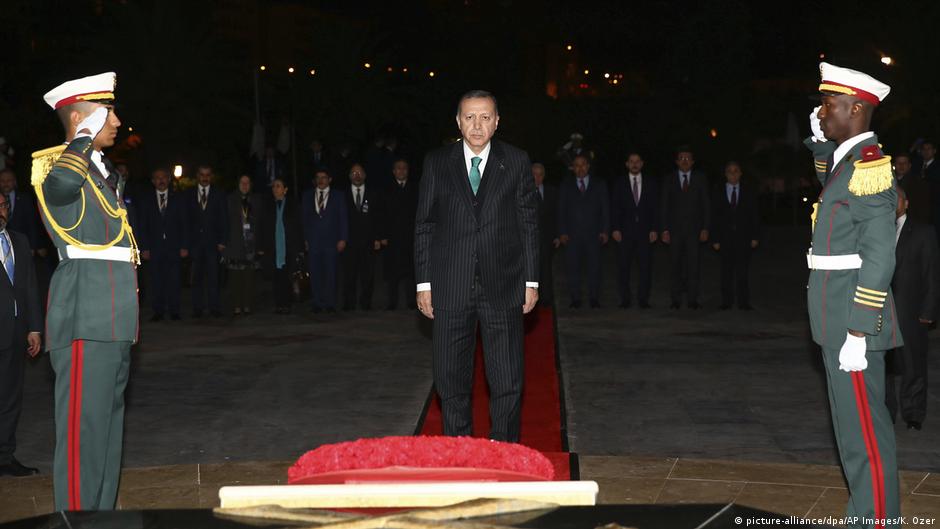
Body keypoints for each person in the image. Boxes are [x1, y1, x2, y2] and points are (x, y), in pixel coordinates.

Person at [33, 72, 138, 510]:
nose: (116, 121)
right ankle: (77, 521)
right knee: (83, 434)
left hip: (112, 315)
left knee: (108, 432)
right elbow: (58, 190)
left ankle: (103, 516)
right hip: (84, 315)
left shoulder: (99, 173)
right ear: (81, 118)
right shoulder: (55, 167)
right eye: (106, 112)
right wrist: (80, 139)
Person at [805, 62, 900, 527]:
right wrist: (822, 138)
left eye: (828, 105)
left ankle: (878, 519)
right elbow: (830, 181)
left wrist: (861, 329)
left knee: (865, 432)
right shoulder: (848, 163)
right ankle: (864, 512)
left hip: (851, 321)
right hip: (834, 316)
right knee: (850, 431)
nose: (821, 112)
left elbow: (880, 256)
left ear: (856, 109)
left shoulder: (870, 167)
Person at [414, 90, 538, 442]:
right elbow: (425, 224)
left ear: (497, 122)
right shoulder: (437, 162)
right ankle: (459, 448)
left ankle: (504, 447)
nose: (477, 124)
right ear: (458, 121)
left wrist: (531, 281)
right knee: (450, 378)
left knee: (507, 378)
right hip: (450, 286)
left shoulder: (515, 161)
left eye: (485, 117)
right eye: (470, 117)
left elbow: (529, 223)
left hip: (504, 284)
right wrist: (424, 285)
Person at [886, 186, 938, 431]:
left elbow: (931, 274)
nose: (892, 203)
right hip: (882, 311)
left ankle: (913, 413)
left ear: (906, 203)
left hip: (910, 310)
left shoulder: (923, 232)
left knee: (913, 364)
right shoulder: (878, 231)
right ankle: (886, 412)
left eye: (896, 198)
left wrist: (929, 311)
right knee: (884, 366)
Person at [0, 192, 42, 477]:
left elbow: (29, 287)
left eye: (2, 205)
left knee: (11, 398)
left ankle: (5, 456)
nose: (0, 211)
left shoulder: (19, 240)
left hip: (15, 334)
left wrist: (35, 327)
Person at [660, 147, 710, 309]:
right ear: (676, 162)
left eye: (688, 158)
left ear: (693, 162)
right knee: (675, 265)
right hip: (674, 231)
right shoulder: (669, 179)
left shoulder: (700, 178)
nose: (685, 161)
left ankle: (692, 299)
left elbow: (706, 205)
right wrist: (664, 229)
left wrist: (705, 228)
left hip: (694, 231)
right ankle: (675, 299)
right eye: (681, 158)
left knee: (693, 266)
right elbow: (664, 206)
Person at [558, 154, 609, 308]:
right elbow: (561, 210)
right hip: (572, 235)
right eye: (577, 165)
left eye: (583, 164)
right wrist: (562, 232)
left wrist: (605, 230)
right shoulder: (566, 185)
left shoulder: (599, 184)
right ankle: (575, 299)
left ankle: (594, 298)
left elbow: (605, 208)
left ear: (588, 166)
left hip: (594, 234)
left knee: (594, 267)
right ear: (573, 168)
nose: (580, 168)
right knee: (573, 268)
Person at [138, 168, 188, 321]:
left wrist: (184, 246)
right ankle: (158, 311)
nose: (161, 180)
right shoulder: (146, 200)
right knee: (156, 280)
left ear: (169, 179)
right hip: (155, 247)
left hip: (174, 246)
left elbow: (185, 224)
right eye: (157, 178)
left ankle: (174, 310)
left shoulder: (178, 198)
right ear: (153, 181)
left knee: (174, 279)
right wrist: (144, 247)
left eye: (164, 177)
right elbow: (143, 225)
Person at [610, 152, 658, 309]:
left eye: (637, 161)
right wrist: (615, 228)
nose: (635, 164)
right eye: (631, 161)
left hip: (645, 232)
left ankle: (643, 299)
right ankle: (625, 299)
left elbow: (655, 208)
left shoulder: (651, 182)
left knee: (645, 267)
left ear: (642, 163)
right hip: (625, 232)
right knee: (624, 267)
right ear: (627, 164)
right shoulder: (619, 183)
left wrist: (654, 228)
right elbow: (615, 207)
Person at [710, 161, 760, 310]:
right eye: (729, 171)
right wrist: (715, 238)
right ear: (725, 174)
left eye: (735, 171)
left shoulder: (748, 191)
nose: (733, 174)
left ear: (740, 173)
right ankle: (726, 301)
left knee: (742, 272)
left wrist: (755, 236)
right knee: (726, 272)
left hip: (743, 238)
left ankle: (743, 302)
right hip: (724, 238)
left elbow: (755, 215)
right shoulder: (718, 190)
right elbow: (714, 216)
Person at [301, 168, 348, 313]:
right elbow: (303, 219)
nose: (321, 180)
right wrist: (305, 239)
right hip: (313, 241)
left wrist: (343, 238)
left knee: (331, 273)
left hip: (331, 241)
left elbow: (343, 218)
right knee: (315, 273)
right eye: (318, 177)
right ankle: (317, 302)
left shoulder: (338, 196)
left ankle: (330, 303)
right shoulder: (307, 195)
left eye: (324, 177)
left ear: (330, 179)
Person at [186, 164, 228, 318]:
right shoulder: (189, 194)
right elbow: (186, 220)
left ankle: (214, 307)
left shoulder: (219, 194)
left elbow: (224, 218)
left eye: (208, 174)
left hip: (213, 242)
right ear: (197, 175)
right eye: (202, 174)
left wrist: (223, 240)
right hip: (195, 243)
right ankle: (197, 308)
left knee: (213, 277)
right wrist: (186, 243)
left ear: (211, 176)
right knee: (196, 277)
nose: (205, 177)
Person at [343, 163, 383, 311]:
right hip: (349, 242)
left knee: (368, 275)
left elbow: (378, 216)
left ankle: (366, 303)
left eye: (360, 173)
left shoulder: (373, 193)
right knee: (349, 275)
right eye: (354, 173)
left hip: (368, 241)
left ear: (365, 175)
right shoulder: (343, 194)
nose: (357, 175)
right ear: (349, 177)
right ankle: (349, 303)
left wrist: (378, 237)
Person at [260, 177, 301, 313]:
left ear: (285, 189)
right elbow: (262, 228)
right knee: (276, 277)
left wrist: (299, 246)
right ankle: (279, 304)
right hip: (273, 247)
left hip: (288, 246)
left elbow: (298, 226)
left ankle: (287, 304)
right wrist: (261, 247)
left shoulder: (292, 205)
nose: (275, 189)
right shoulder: (267, 205)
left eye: (278, 186)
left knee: (288, 276)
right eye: (273, 186)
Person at [223, 175, 264, 315]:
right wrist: (224, 243)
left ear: (251, 184)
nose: (245, 185)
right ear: (238, 184)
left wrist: (261, 245)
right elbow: (224, 222)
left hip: (251, 244)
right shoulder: (230, 199)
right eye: (242, 182)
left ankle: (247, 305)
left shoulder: (257, 200)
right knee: (235, 278)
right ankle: (236, 305)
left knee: (249, 278)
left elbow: (261, 223)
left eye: (247, 182)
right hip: (235, 243)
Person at [382, 158, 418, 310]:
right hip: (392, 238)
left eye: (404, 168)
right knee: (393, 273)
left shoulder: (415, 188)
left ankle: (411, 301)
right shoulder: (386, 189)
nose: (401, 171)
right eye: (398, 168)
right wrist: (382, 235)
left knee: (411, 272)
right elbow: (381, 213)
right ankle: (392, 302)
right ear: (393, 171)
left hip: (411, 237)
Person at [532, 162, 559, 306]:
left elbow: (557, 214)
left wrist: (557, 235)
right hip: (529, 239)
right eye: (534, 174)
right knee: (530, 270)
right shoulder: (522, 191)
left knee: (546, 269)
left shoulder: (552, 191)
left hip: (547, 237)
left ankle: (546, 299)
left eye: (540, 174)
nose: (537, 178)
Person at [893, 152, 930, 224]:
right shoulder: (888, 182)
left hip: (912, 223)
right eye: (898, 163)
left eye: (904, 163)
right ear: (894, 165)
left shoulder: (919, 183)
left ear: (909, 165)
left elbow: (923, 208)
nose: (901, 165)